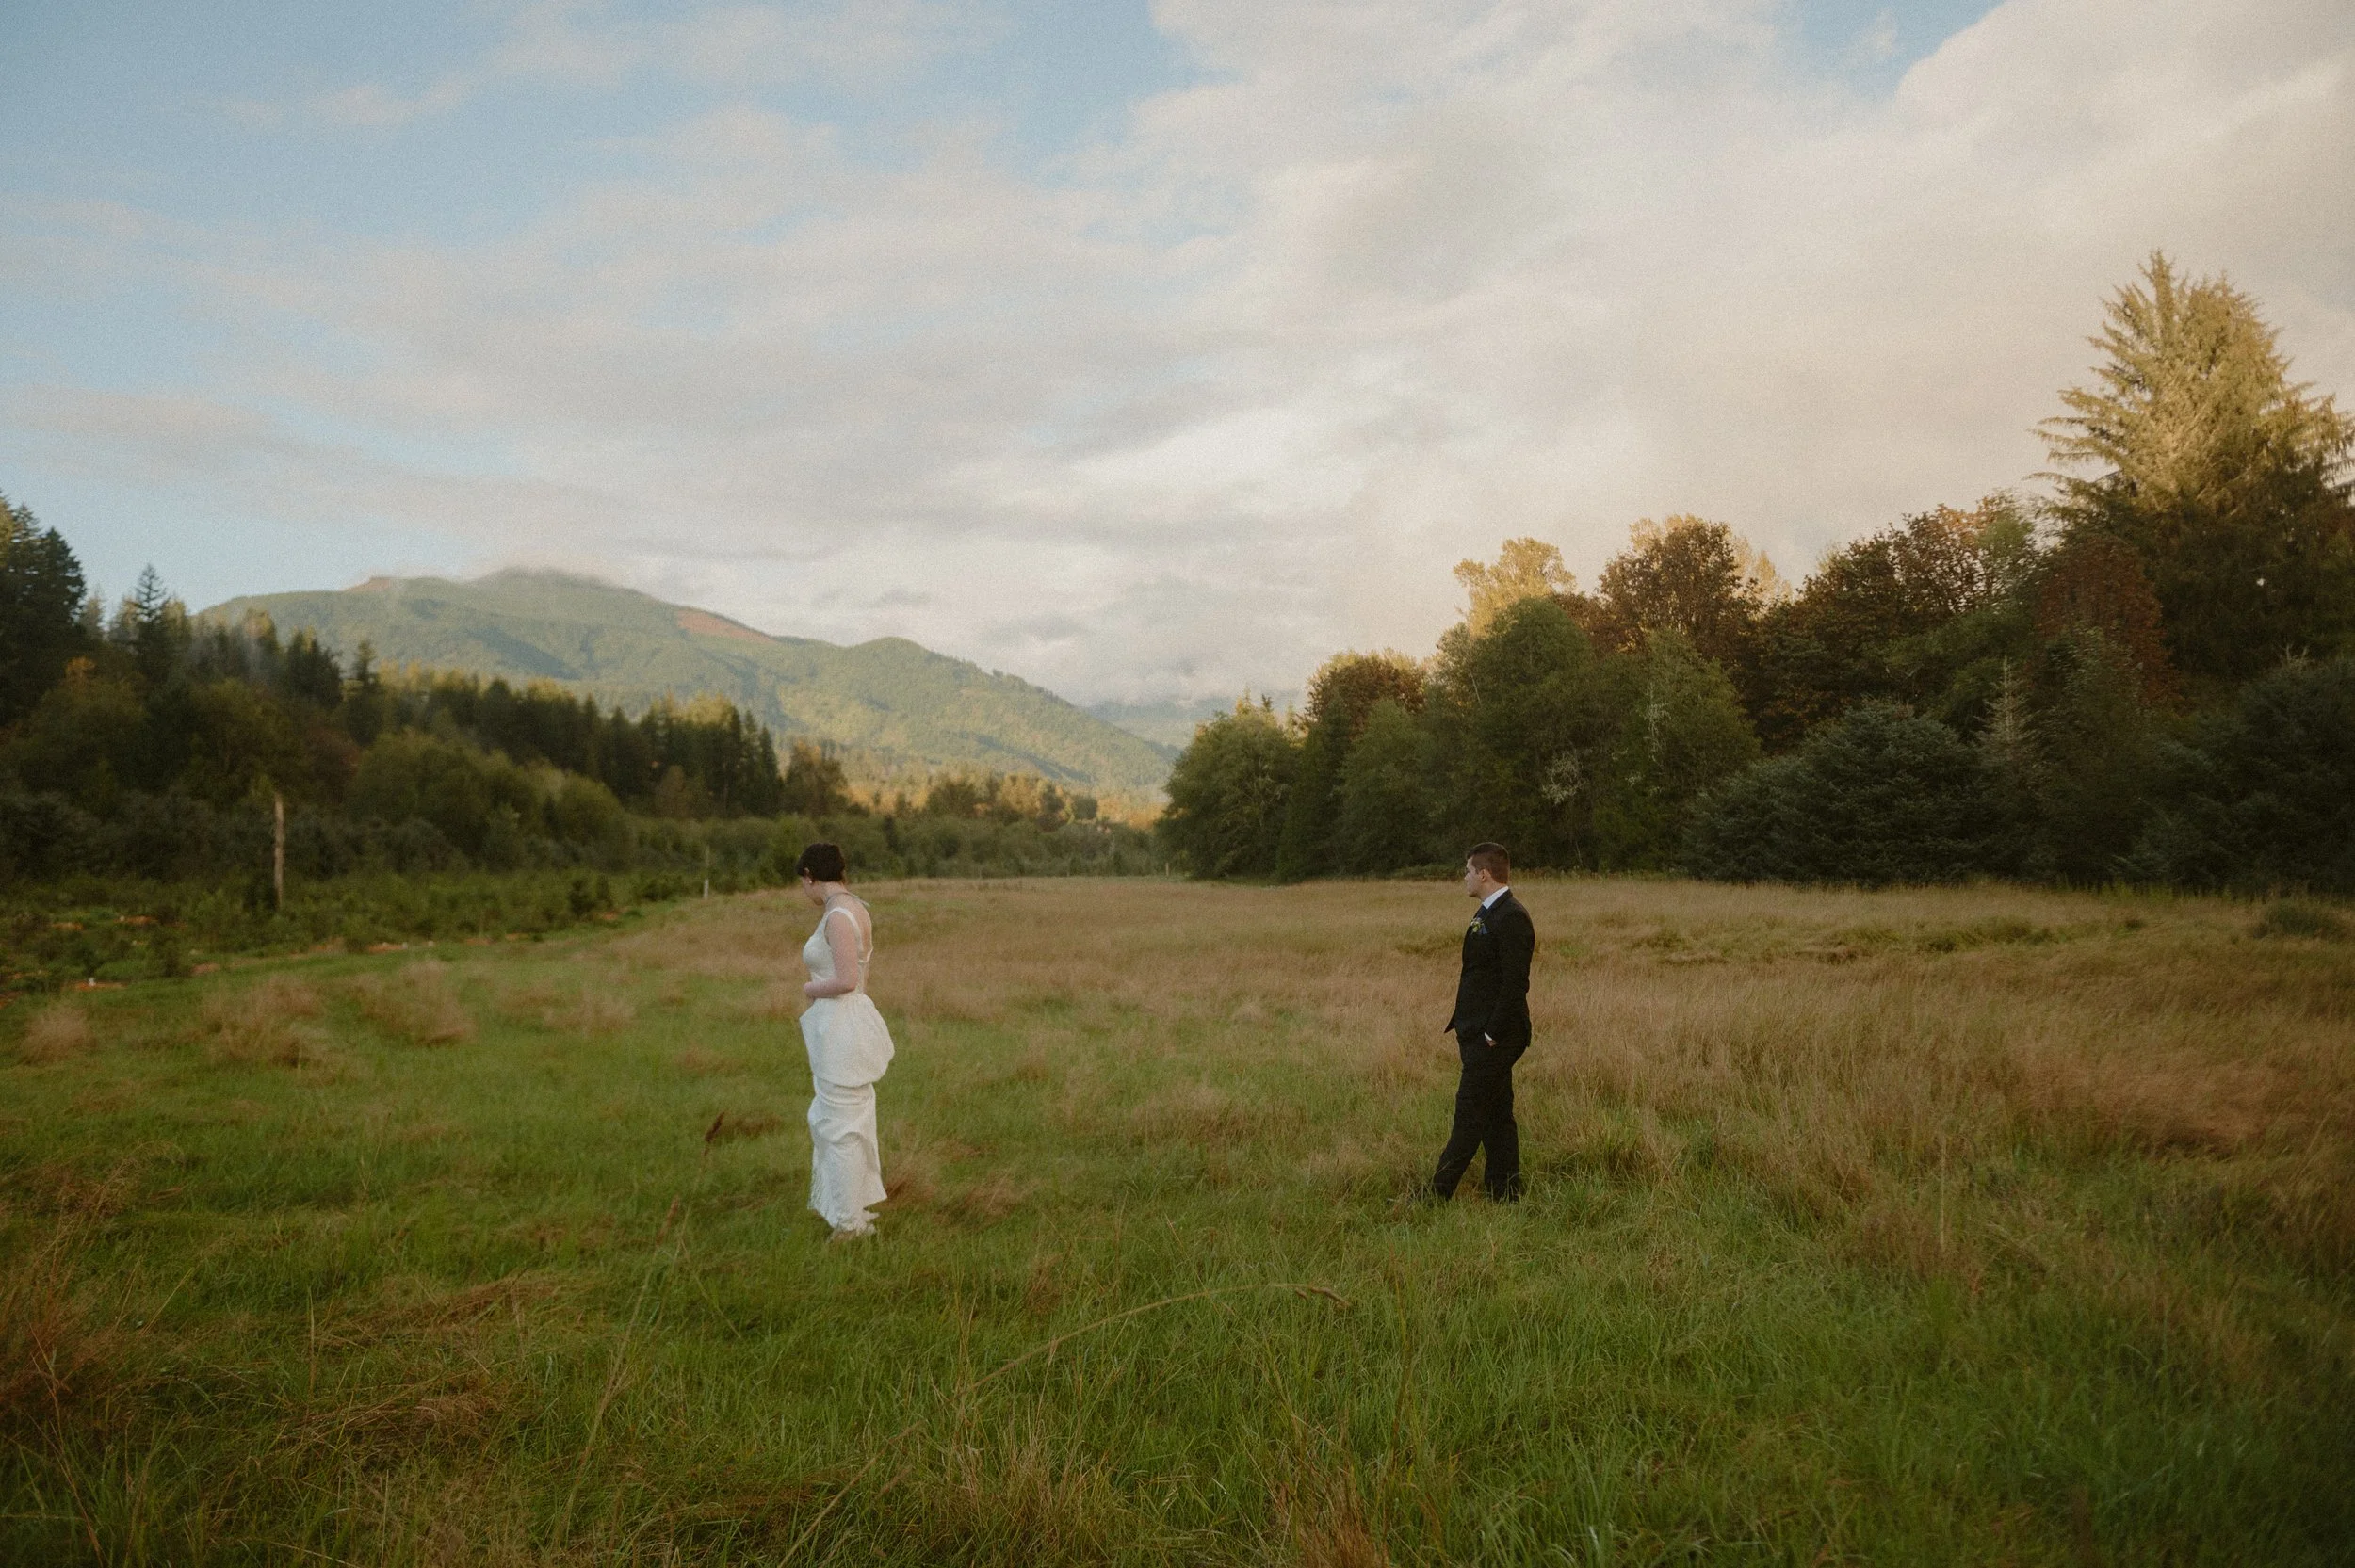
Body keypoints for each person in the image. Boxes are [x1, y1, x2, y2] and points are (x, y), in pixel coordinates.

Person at [795, 842, 895, 1239]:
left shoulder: (837, 915)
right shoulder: (857, 907)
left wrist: (810, 988)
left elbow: (847, 980)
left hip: (840, 1024)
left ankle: (849, 1222)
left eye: (803, 883)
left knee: (838, 1124)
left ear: (810, 877)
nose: (804, 892)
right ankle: (850, 1210)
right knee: (845, 1120)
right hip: (846, 1021)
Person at [1429, 841, 1535, 1204]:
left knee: (1469, 1113)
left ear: (1484, 874)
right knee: (1497, 1113)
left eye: (1468, 872)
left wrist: (1490, 1033)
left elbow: (1515, 984)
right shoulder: (1486, 914)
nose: (1465, 878)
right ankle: (1505, 1192)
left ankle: (1437, 1194)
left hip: (1497, 1037)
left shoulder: (1512, 917)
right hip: (1478, 1032)